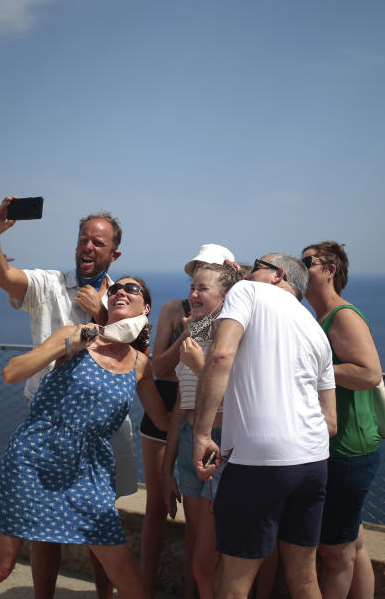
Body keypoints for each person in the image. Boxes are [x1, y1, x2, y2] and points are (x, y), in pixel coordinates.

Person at [0, 277, 167, 599]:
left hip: (89, 472)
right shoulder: (75, 335)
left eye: (132, 289)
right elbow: (12, 372)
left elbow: (162, 421)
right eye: (115, 289)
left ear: (146, 307)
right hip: (34, 458)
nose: (121, 291)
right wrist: (69, 345)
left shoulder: (141, 365)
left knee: (127, 575)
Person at [0, 198, 139, 597]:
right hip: (50, 425)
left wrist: (101, 314)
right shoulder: (50, 284)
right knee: (41, 529)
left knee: (102, 526)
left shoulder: (123, 300)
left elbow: (141, 358)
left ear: (114, 252)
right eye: (84, 239)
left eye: (98, 243)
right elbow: (0, 273)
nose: (88, 247)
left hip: (105, 429)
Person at [192, 254, 337, 599]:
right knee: (304, 578)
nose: (246, 269)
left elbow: (220, 355)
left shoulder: (249, 292)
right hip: (313, 459)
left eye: (256, 263)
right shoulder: (314, 326)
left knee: (235, 579)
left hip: (259, 461)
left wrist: (201, 433)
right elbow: (330, 421)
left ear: (278, 274)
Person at [145, 244, 234, 598]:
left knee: (207, 561)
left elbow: (243, 405)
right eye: (192, 287)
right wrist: (166, 469)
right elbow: (183, 401)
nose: (192, 294)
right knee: (200, 553)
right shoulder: (195, 332)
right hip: (189, 443)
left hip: (219, 445)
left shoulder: (235, 337)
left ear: (226, 295)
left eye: (202, 288)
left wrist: (201, 367)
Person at [301, 242, 384, 599]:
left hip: (347, 448)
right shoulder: (319, 317)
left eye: (307, 263)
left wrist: (315, 369)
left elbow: (369, 373)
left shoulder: (343, 315)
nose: (300, 269)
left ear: (330, 269)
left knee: (334, 553)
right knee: (353, 541)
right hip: (343, 445)